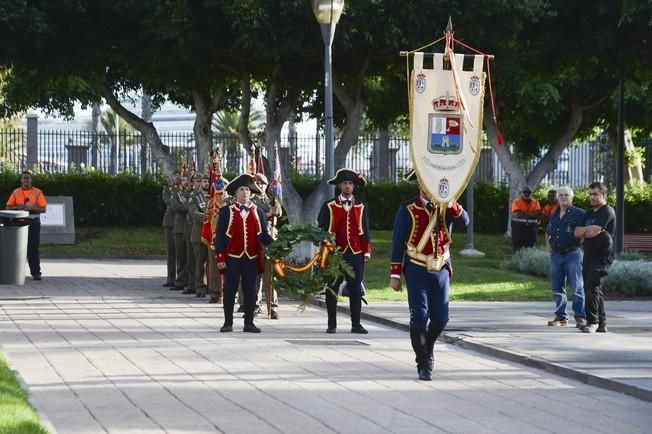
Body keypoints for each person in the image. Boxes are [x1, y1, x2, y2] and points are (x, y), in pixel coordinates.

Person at [389, 170, 469, 381]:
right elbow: (398, 242)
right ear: (420, 185)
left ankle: (429, 345)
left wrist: (451, 201)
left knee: (441, 318)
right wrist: (395, 273)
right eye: (425, 181)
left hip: (441, 268)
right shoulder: (406, 209)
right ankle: (423, 363)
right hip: (416, 267)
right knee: (419, 317)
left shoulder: (447, 206)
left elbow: (465, 222)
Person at [215, 174, 273, 333]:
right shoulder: (226, 211)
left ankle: (249, 322)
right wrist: (220, 256)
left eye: (247, 189)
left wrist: (278, 246)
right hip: (232, 257)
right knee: (229, 290)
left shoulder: (259, 212)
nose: (245, 192)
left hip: (252, 257)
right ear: (235, 193)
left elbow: (264, 236)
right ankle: (228, 322)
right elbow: (219, 236)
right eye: (242, 189)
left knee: (251, 291)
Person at [317, 168, 371, 334]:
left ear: (353, 186)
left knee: (355, 289)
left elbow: (366, 230)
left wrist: (366, 250)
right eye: (345, 183)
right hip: (335, 253)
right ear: (339, 186)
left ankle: (356, 324)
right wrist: (325, 247)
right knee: (332, 288)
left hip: (355, 253)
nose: (348, 186)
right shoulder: (329, 206)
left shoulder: (361, 206)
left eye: (350, 183)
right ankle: (331, 324)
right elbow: (321, 229)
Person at [574, 182, 615, 333]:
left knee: (592, 286)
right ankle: (602, 323)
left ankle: (592, 321)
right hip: (588, 255)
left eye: (595, 194)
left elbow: (591, 233)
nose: (592, 197)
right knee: (594, 288)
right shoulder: (588, 214)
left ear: (603, 195)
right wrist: (587, 230)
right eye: (590, 194)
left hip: (602, 257)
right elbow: (577, 232)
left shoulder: (607, 211)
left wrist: (588, 232)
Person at [545, 186, 586, 328]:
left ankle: (580, 316)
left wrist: (579, 244)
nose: (563, 197)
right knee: (557, 287)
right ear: (557, 198)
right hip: (556, 255)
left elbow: (584, 232)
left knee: (577, 287)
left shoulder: (579, 214)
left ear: (572, 197)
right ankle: (561, 317)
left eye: (566, 195)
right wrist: (548, 245)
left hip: (572, 254)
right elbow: (548, 230)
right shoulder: (555, 213)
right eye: (561, 195)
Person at [6, 171, 48, 280]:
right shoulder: (16, 192)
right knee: (16, 248)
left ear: (31, 180)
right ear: (21, 180)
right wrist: (17, 207)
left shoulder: (37, 192)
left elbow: (43, 209)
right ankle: (13, 273)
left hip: (33, 221)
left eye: (28, 178)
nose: (26, 180)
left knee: (33, 247)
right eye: (24, 178)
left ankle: (36, 273)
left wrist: (31, 208)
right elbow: (8, 207)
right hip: (19, 221)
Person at [252, 173, 283, 319]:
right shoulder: (252, 201)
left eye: (263, 183)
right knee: (256, 274)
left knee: (271, 276)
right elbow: (256, 214)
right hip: (257, 240)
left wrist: (275, 205)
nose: (260, 186)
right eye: (257, 183)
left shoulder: (271, 199)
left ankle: (273, 305)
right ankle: (254, 305)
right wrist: (268, 213)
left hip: (271, 239)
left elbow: (279, 213)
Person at [190, 173, 210, 297]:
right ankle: (199, 286)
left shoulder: (213, 197)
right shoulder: (195, 197)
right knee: (199, 262)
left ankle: (210, 286)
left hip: (211, 235)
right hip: (199, 234)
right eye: (203, 181)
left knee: (211, 263)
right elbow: (194, 213)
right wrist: (209, 218)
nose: (206, 184)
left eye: (208, 181)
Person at [170, 171, 188, 290]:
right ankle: (180, 280)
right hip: (180, 228)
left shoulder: (193, 194)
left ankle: (189, 281)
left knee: (191, 258)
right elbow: (176, 207)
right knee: (181, 256)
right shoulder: (176, 193)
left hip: (190, 228)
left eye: (188, 180)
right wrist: (190, 206)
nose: (186, 182)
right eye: (184, 180)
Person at [511, 185, 541, 252]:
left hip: (531, 229)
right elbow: (518, 214)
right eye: (525, 192)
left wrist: (524, 212)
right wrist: (531, 214)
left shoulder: (536, 202)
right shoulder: (516, 202)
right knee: (517, 248)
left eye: (529, 192)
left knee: (532, 248)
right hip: (518, 229)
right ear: (521, 193)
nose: (527, 194)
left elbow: (537, 214)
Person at [161, 173, 178, 287]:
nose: (175, 178)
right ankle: (170, 278)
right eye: (173, 176)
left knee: (181, 253)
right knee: (171, 252)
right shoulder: (167, 189)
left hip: (180, 223)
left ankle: (182, 278)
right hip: (169, 223)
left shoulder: (183, 190)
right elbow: (168, 201)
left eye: (177, 176)